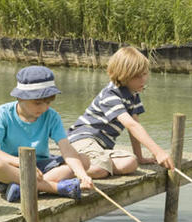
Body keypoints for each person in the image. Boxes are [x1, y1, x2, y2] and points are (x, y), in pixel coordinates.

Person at [0, 65, 93, 202]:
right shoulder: (2, 114)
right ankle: (56, 188)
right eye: (37, 103)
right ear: (20, 98)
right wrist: (23, 164)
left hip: (43, 168)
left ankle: (22, 188)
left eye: (48, 102)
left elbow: (66, 149)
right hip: (14, 169)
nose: (44, 107)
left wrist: (82, 175)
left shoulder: (52, 116)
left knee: (84, 161)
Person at [68, 46, 174, 178]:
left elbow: (134, 128)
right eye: (137, 76)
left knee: (130, 163)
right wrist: (157, 151)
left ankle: (81, 164)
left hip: (101, 147)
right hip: (83, 139)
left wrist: (139, 157)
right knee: (99, 171)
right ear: (123, 76)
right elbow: (131, 125)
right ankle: (66, 167)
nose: (143, 80)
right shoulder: (110, 95)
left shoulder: (133, 94)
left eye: (145, 74)